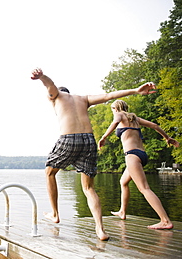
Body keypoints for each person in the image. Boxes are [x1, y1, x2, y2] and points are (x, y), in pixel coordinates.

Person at [31, 68, 157, 241]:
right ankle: (100, 230)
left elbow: (50, 85)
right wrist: (135, 90)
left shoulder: (56, 96)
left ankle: (54, 214)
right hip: (89, 140)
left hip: (69, 139)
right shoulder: (83, 99)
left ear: (57, 94)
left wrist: (41, 77)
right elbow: (109, 96)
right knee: (89, 188)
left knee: (49, 172)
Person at [98, 99, 179, 230]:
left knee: (144, 189)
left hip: (131, 156)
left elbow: (114, 122)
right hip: (141, 154)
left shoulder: (119, 115)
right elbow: (154, 125)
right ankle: (122, 211)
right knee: (123, 182)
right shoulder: (135, 119)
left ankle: (165, 220)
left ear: (116, 108)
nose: (113, 112)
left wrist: (104, 137)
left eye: (112, 109)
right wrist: (167, 138)